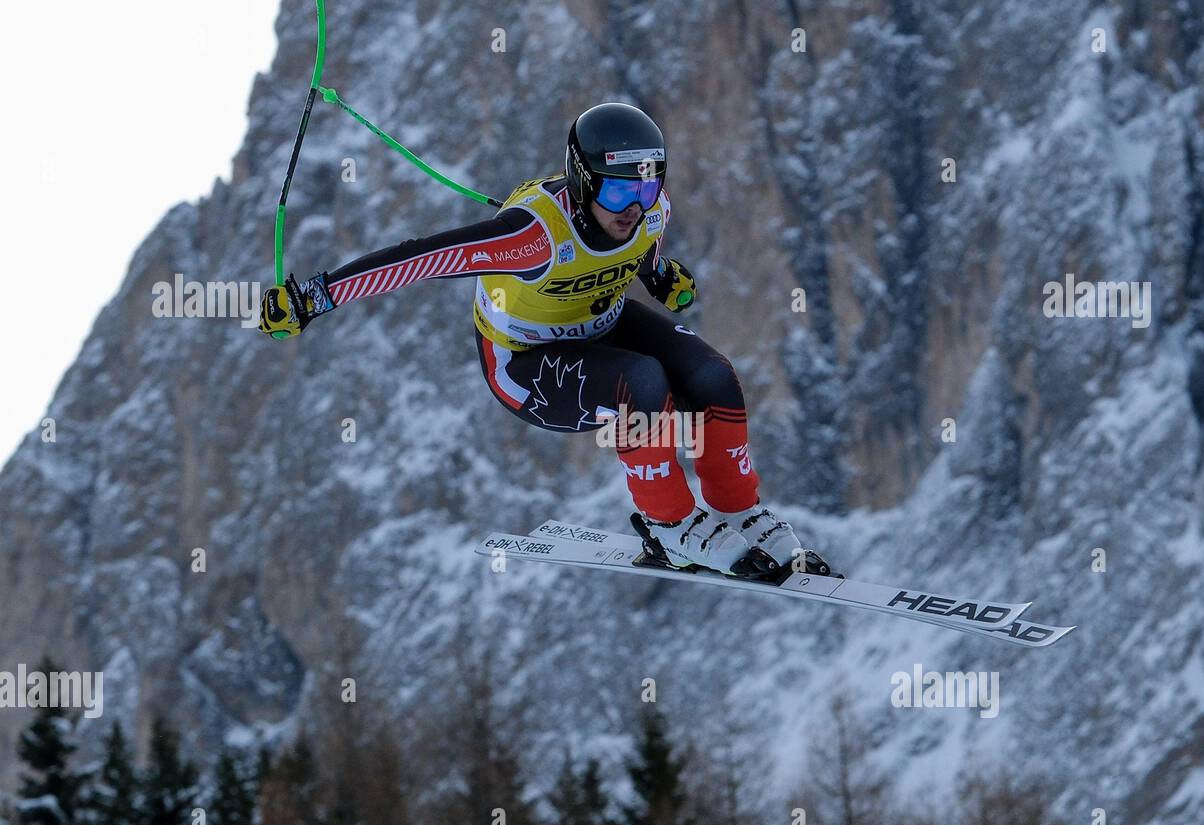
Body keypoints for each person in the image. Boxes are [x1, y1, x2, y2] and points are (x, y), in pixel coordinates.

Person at [260, 102, 803, 574]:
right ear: (585, 182)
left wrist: (660, 277)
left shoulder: (649, 211)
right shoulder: (531, 238)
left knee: (713, 375)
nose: (633, 207)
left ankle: (736, 509)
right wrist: (312, 299)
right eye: (617, 191)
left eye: (646, 185)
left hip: (601, 320)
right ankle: (669, 524)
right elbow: (420, 259)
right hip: (524, 363)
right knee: (642, 382)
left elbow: (642, 250)